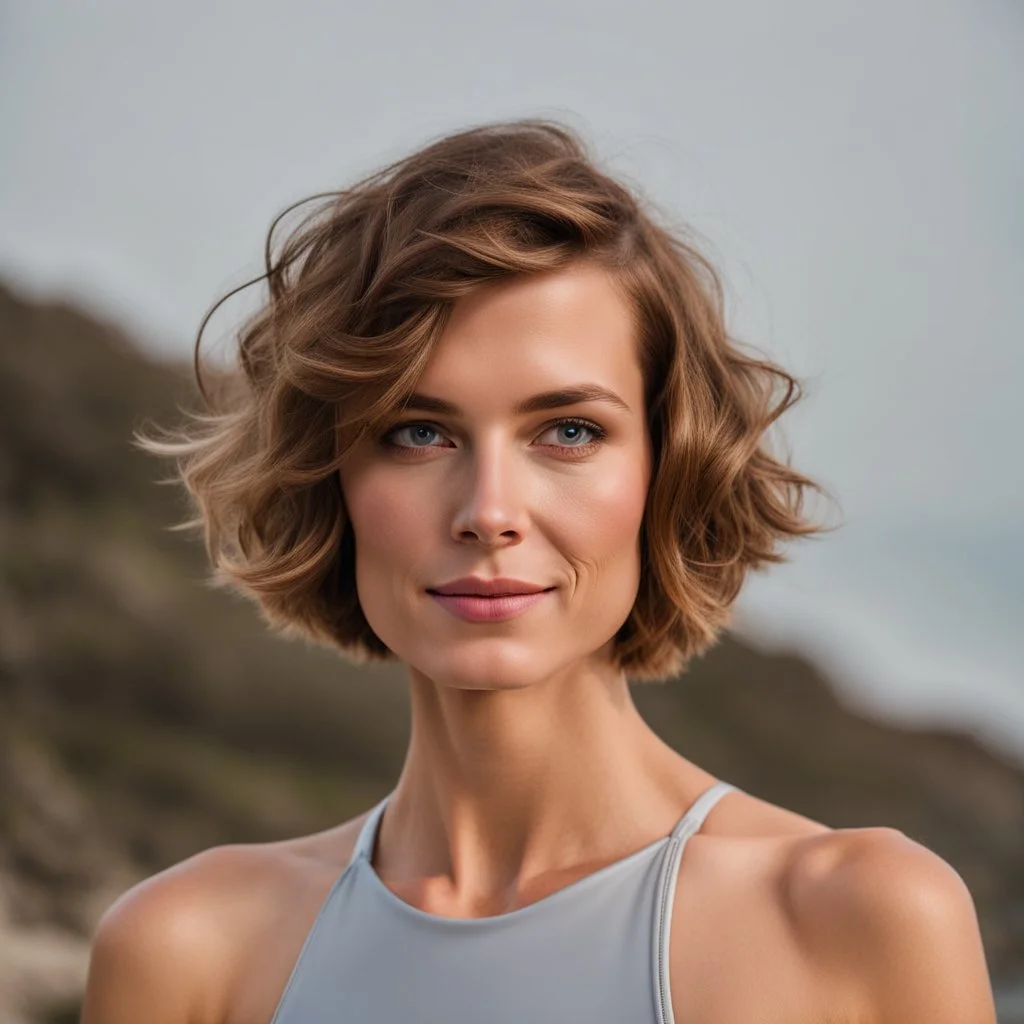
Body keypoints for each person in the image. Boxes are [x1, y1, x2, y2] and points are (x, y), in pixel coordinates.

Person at [81, 119, 996, 1023]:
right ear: (330, 477)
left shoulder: (859, 919)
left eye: (568, 432)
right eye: (417, 431)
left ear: (667, 470)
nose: (488, 511)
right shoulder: (189, 949)